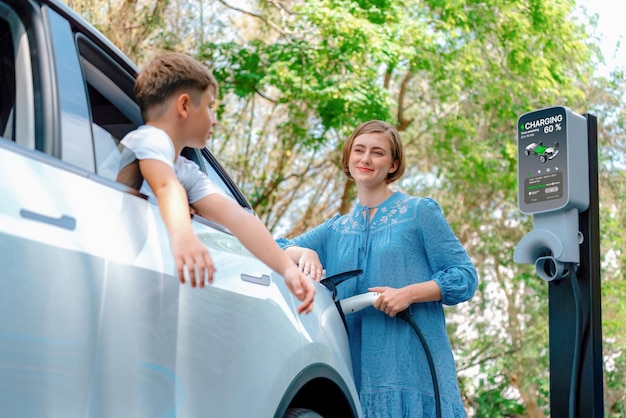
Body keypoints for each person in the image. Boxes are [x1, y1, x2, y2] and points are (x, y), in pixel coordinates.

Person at [277, 120, 478, 416]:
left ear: (393, 164)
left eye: (377, 153)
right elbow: (274, 245)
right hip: (353, 372)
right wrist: (303, 251)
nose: (366, 159)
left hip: (412, 368)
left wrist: (408, 294)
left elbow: (464, 277)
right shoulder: (335, 229)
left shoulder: (419, 212)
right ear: (348, 158)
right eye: (359, 150)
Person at [120, 52, 315, 314]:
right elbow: (167, 187)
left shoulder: (184, 169)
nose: (215, 119)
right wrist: (184, 237)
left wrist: (288, 269)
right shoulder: (149, 138)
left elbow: (238, 217)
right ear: (185, 106)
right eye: (211, 107)